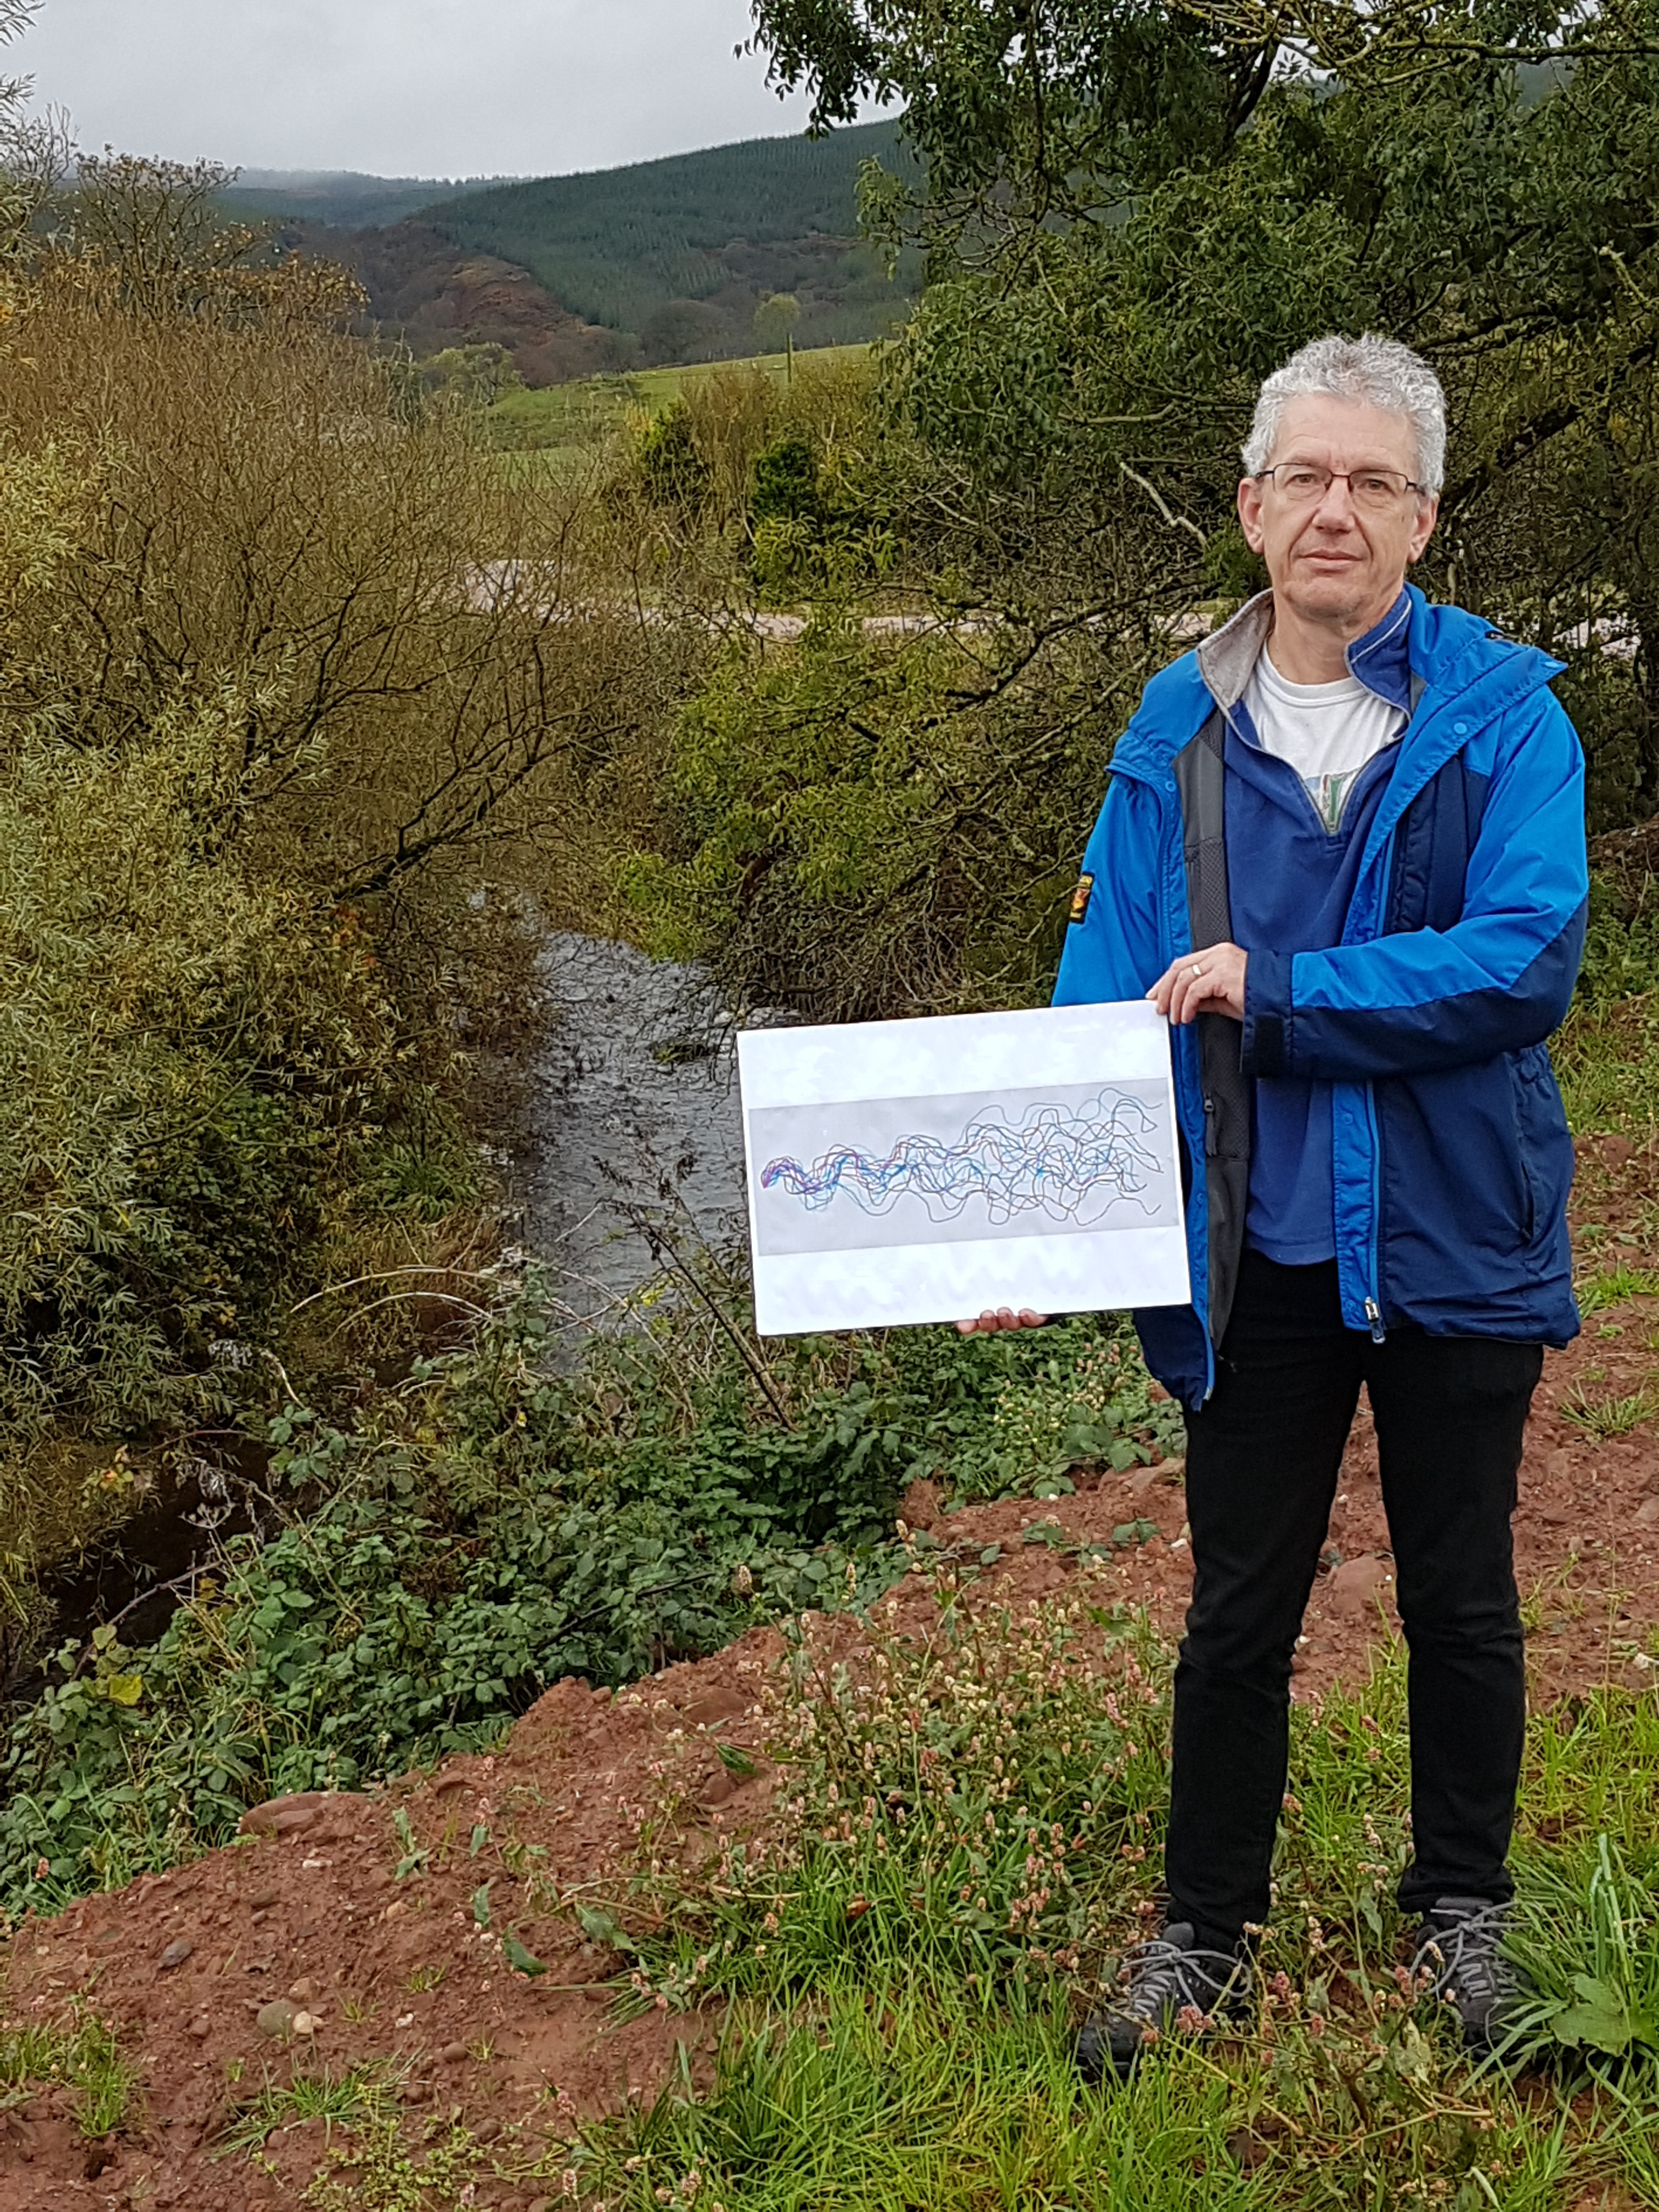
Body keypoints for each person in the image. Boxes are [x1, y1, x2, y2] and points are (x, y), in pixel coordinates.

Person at [960, 333, 1588, 2078]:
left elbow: (1527, 957)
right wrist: (1032, 1225)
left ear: (1426, 517)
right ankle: (1202, 1938)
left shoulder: (1505, 715)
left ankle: (1463, 1909)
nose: (1336, 511)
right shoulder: (1176, 725)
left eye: (1373, 481)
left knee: (1462, 1596)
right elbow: (1104, 985)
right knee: (1240, 1608)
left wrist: (1283, 991)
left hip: (1456, 1228)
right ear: (1249, 507)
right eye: (1305, 477)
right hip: (1259, 1249)